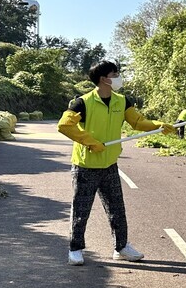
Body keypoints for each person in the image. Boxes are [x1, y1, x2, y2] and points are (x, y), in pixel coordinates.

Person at [57, 60, 176, 266]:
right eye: (115, 74)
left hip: (110, 165)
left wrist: (158, 126)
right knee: (81, 209)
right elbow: (64, 125)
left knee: (117, 209)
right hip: (85, 166)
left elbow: (138, 122)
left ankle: (121, 247)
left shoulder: (122, 101)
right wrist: (90, 142)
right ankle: (75, 249)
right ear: (104, 79)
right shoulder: (82, 103)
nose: (119, 77)